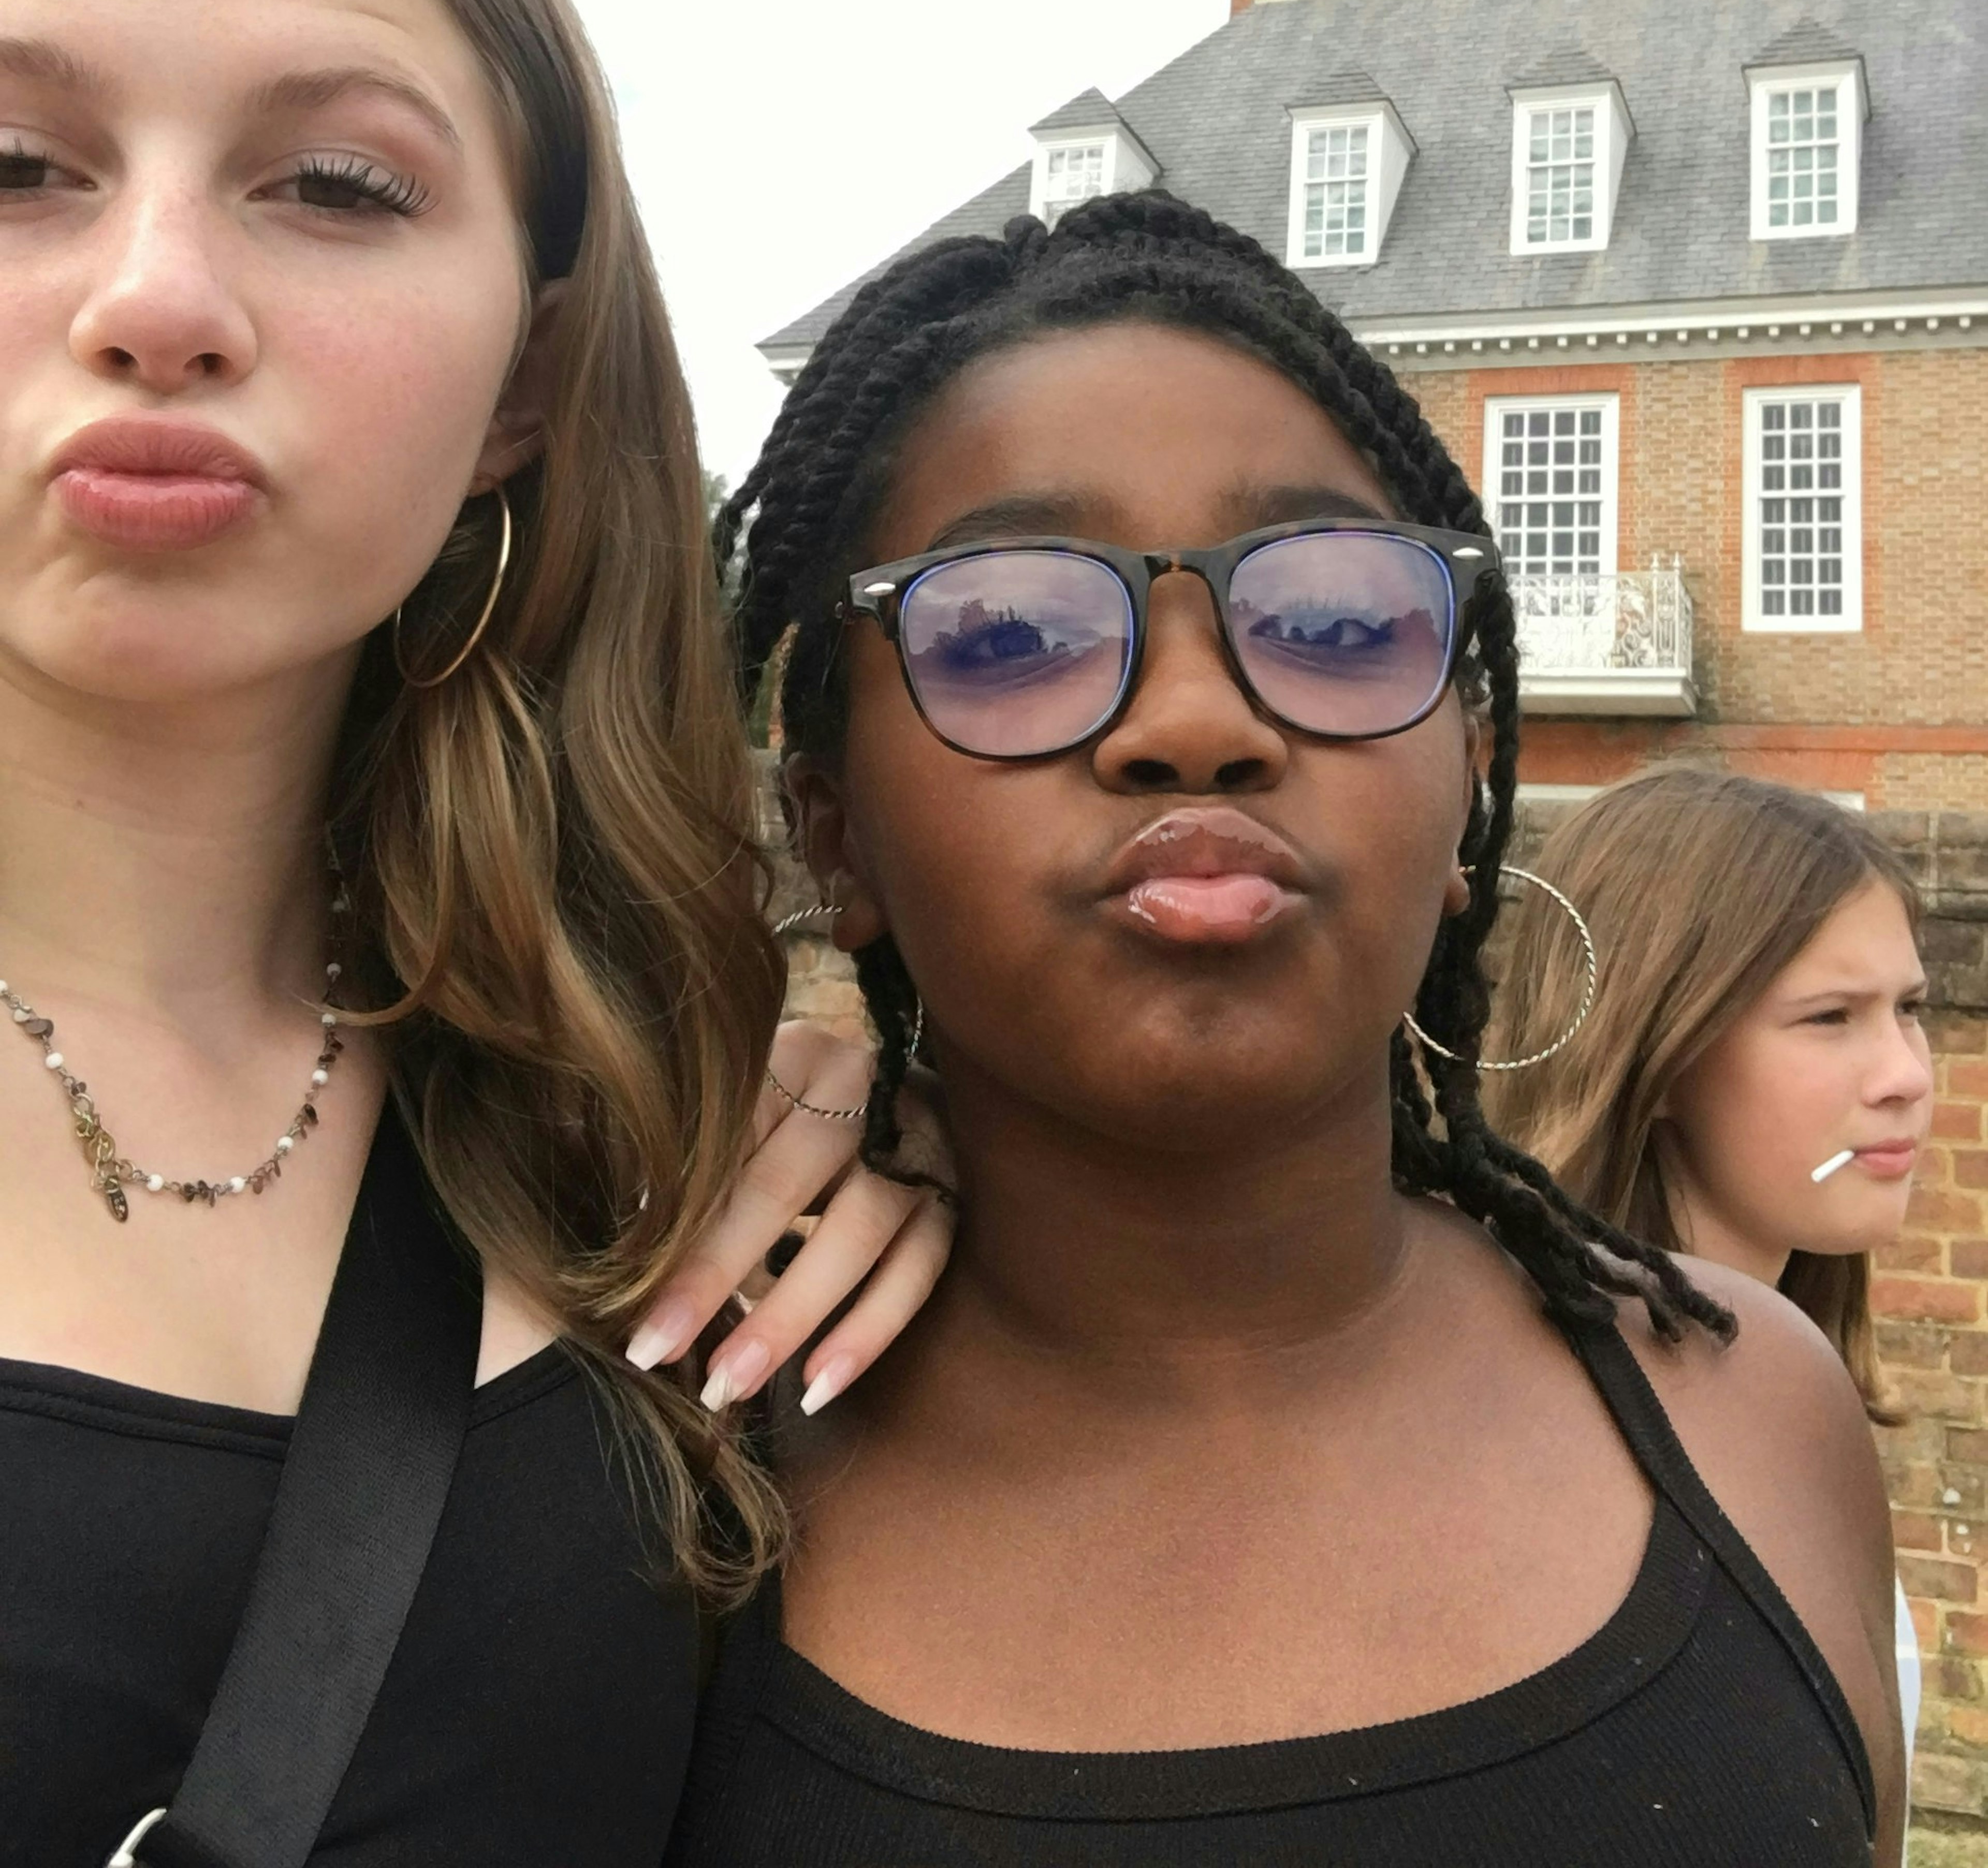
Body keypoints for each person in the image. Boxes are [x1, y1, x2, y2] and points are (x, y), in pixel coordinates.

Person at [667, 189, 1905, 1866]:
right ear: (834, 833)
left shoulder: (1756, 1419)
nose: (1196, 718)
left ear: (1469, 776)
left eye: (1332, 621)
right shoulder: (653, 1496)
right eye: (1012, 631)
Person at [0, 0, 949, 1868]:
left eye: (336, 185)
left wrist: (974, 1137)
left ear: (527, 375)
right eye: (14, 165)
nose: (159, 298)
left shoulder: (635, 1130)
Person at [1481, 765, 1933, 1758]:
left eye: (1910, 1007)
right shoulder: (1524, 1444)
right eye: (1831, 1017)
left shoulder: (1796, 1405)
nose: (1907, 1075)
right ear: (1658, 1048)